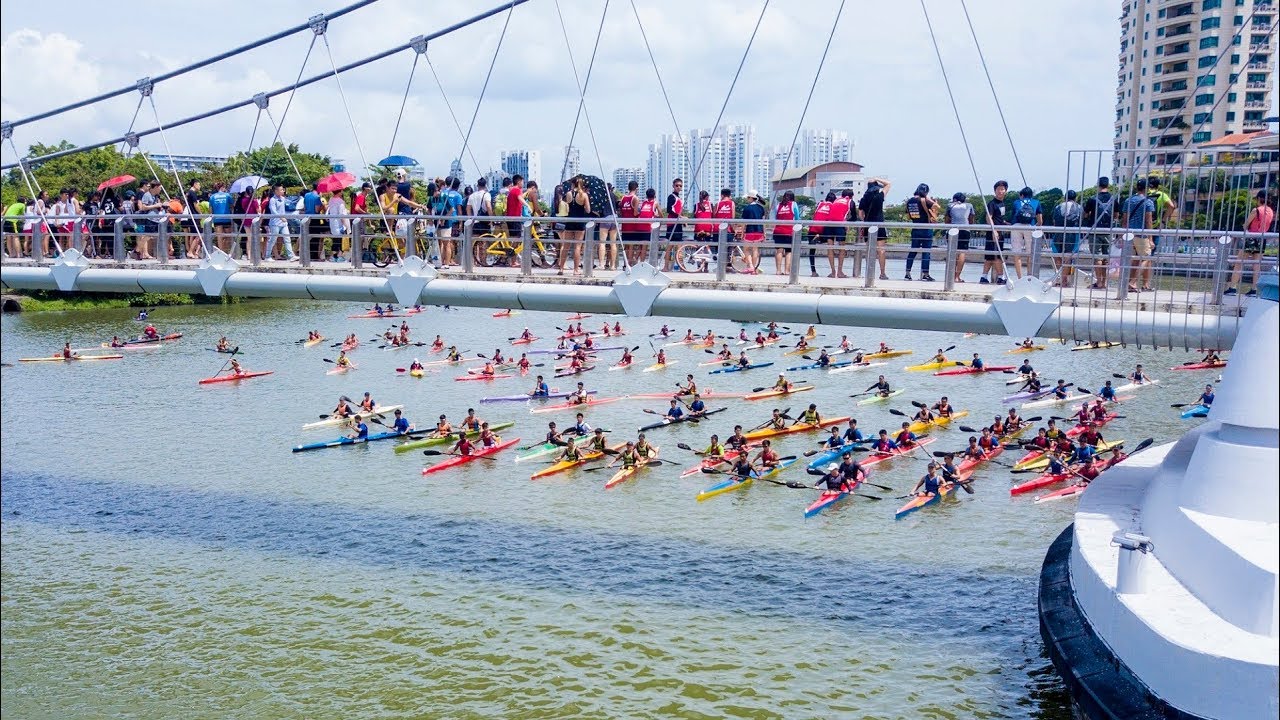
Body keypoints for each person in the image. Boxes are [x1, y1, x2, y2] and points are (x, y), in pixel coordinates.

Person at [1226, 192, 1275, 297]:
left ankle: (1232, 288)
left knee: (1239, 263)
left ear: (1259, 198)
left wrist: (1244, 227)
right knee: (1256, 266)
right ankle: (1254, 290)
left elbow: (1246, 225)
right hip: (1262, 239)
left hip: (1251, 238)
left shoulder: (1255, 210)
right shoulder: (1271, 211)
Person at [1121, 178, 1155, 293]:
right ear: (1146, 188)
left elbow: (1124, 220)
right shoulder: (1148, 202)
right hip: (1141, 235)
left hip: (1129, 234)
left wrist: (1122, 234)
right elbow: (1149, 221)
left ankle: (1129, 284)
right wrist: (1150, 238)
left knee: (1134, 260)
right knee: (1146, 257)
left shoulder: (1128, 201)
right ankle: (1133, 282)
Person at [858, 178, 892, 279]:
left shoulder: (864, 198)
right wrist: (877, 178)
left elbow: (860, 214)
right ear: (877, 188)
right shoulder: (879, 196)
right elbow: (888, 183)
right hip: (879, 225)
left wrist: (865, 220)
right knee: (881, 250)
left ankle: (869, 272)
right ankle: (882, 273)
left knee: (869, 250)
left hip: (868, 226)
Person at [904, 184, 937, 281]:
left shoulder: (909, 201)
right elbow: (936, 207)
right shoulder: (924, 200)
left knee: (913, 251)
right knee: (926, 252)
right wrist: (931, 200)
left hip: (915, 228)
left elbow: (908, 214)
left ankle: (907, 273)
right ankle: (925, 274)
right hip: (926, 228)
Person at [1051, 189, 1083, 286]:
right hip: (1073, 234)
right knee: (1068, 257)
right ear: (1075, 198)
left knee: (1057, 255)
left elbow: (1054, 220)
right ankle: (1064, 280)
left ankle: (1061, 276)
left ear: (1065, 198)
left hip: (1058, 233)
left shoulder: (1058, 206)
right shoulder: (1079, 207)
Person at [1009, 186, 1042, 279]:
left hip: (1016, 226)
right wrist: (1036, 227)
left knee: (1017, 253)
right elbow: (1040, 220)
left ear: (1021, 195)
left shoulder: (1016, 202)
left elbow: (1013, 217)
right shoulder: (1036, 202)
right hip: (1030, 226)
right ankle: (1029, 276)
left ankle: (1019, 278)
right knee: (1030, 253)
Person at [982, 180, 1010, 284]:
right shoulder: (992, 203)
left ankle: (983, 277)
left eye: (1002, 189)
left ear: (1006, 191)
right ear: (995, 191)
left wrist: (1006, 223)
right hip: (994, 233)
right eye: (998, 189)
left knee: (990, 256)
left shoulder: (1002, 203)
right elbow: (989, 217)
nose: (1000, 191)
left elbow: (999, 218)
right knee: (997, 256)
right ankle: (1001, 277)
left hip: (999, 231)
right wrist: (994, 231)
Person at [947, 192, 975, 282]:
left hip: (952, 230)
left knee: (952, 253)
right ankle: (957, 276)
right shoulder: (969, 205)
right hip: (965, 230)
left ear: (954, 199)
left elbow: (947, 219)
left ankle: (951, 276)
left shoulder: (950, 205)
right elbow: (971, 218)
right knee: (962, 252)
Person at [266, 184, 297, 261]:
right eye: (281, 190)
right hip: (275, 223)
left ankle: (291, 255)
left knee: (287, 238)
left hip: (283, 223)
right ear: (276, 191)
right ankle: (267, 256)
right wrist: (281, 217)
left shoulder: (283, 199)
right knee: (273, 239)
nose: (283, 191)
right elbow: (273, 211)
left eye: (283, 189)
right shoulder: (272, 200)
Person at [772, 190, 799, 275]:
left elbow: (776, 217)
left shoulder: (778, 205)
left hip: (778, 230)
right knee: (788, 251)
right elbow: (797, 218)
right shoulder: (793, 204)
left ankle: (778, 270)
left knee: (779, 251)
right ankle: (787, 271)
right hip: (789, 231)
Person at [739, 190, 766, 275]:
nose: (747, 199)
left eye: (748, 197)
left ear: (751, 198)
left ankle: (750, 266)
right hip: (759, 231)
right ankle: (754, 269)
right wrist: (764, 233)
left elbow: (744, 223)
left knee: (746, 249)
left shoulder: (747, 208)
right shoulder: (761, 208)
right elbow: (763, 221)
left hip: (749, 231)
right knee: (755, 250)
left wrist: (742, 233)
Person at [807, 192, 834, 277]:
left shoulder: (820, 204)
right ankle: (820, 237)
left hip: (812, 228)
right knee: (830, 240)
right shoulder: (832, 206)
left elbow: (814, 215)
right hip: (822, 229)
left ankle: (813, 272)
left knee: (812, 252)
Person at [663, 178, 684, 272]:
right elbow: (669, 210)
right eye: (677, 185)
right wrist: (681, 217)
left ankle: (681, 266)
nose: (679, 187)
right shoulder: (671, 197)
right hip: (672, 224)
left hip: (678, 224)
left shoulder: (678, 198)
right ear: (673, 186)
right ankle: (666, 266)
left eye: (680, 186)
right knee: (671, 246)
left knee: (679, 246)